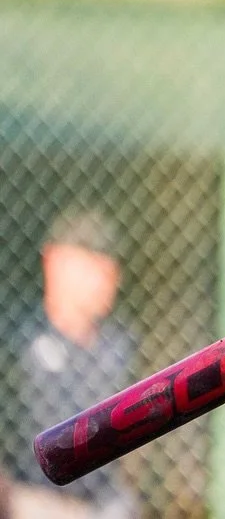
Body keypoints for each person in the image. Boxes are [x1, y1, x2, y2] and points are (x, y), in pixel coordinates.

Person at [1, 206, 138, 519]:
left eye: (110, 270)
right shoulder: (17, 341)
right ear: (54, 263)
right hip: (30, 497)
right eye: (92, 266)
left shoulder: (119, 347)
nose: (106, 280)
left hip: (103, 502)